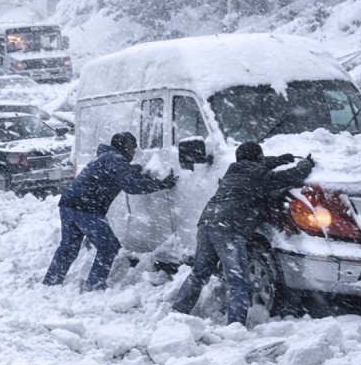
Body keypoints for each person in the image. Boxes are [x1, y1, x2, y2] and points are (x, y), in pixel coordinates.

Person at [172, 142, 315, 326]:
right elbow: (292, 176)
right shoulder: (259, 175)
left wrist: (279, 160)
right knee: (238, 281)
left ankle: (176, 314)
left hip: (207, 222)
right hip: (229, 229)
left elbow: (257, 166)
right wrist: (307, 164)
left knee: (199, 274)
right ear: (258, 158)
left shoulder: (232, 172)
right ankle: (235, 326)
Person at [43, 132, 176, 290]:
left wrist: (136, 170)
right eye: (132, 149)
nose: (133, 153)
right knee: (108, 246)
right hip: (86, 208)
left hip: (70, 204)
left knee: (68, 247)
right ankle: (94, 285)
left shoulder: (108, 157)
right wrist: (160, 184)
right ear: (125, 148)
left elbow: (118, 173)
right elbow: (130, 186)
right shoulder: (115, 159)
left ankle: (51, 282)